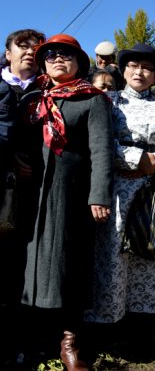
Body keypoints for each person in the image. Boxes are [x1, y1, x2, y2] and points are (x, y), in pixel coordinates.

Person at [20, 34, 114, 371]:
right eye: (52, 55)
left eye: (67, 55)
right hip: (33, 194)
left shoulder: (92, 100)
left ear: (80, 63)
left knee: (68, 265)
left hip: (72, 194)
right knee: (32, 265)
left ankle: (70, 343)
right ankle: (35, 339)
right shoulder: (33, 100)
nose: (59, 59)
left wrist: (99, 195)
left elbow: (103, 151)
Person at [85, 44, 155, 325]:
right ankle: (109, 318)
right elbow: (101, 141)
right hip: (119, 188)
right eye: (134, 65)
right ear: (124, 70)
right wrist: (135, 158)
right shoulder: (109, 101)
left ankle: (149, 319)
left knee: (153, 248)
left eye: (147, 68)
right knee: (115, 253)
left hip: (154, 190)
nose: (140, 71)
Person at [0, 28, 45, 366]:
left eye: (36, 47)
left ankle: (22, 341)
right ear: (8, 53)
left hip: (37, 191)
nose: (30, 51)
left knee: (24, 264)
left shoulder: (49, 90)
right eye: (23, 45)